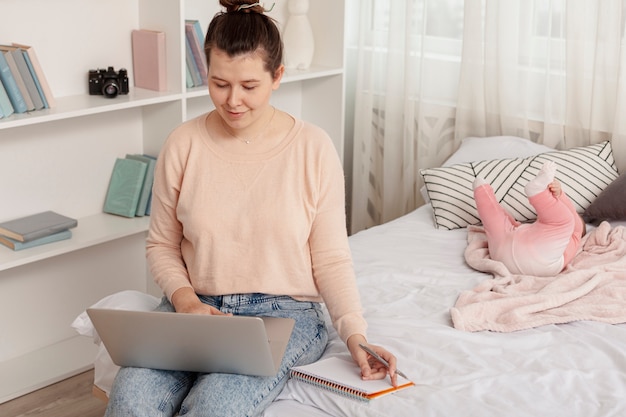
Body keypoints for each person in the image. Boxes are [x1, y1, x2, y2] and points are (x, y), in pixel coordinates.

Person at [104, 1, 399, 416]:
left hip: (283, 314)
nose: (232, 100)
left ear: (277, 76)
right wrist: (186, 300)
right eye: (219, 83)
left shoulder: (313, 148)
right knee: (130, 402)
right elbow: (162, 245)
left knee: (212, 408)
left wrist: (355, 334)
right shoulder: (183, 143)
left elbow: (331, 257)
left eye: (248, 86)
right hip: (194, 305)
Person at [472, 160, 586, 277]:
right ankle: (483, 192)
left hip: (502, 255)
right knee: (504, 225)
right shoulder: (539, 236)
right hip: (519, 261)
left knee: (567, 221)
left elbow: (571, 215)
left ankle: (483, 192)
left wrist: (560, 194)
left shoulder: (575, 234)